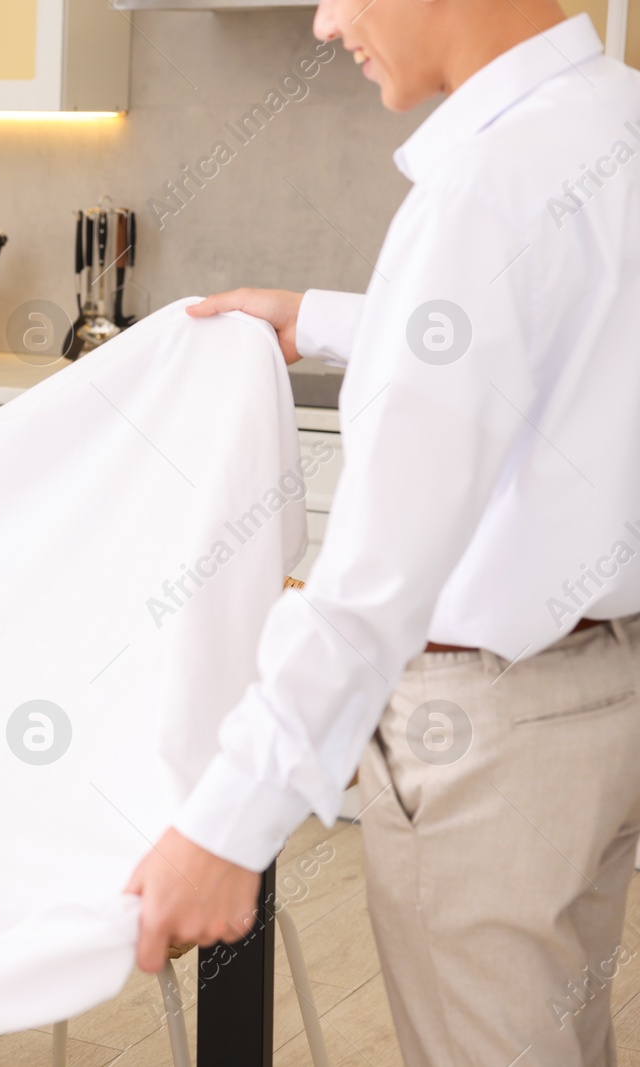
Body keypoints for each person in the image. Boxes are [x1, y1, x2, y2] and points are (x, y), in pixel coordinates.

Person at [127, 3, 640, 1063]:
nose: (323, 23)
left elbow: (374, 578)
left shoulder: (485, 188)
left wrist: (229, 821)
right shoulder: (614, 120)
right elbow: (562, 339)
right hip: (601, 694)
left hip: (484, 736)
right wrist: (318, 314)